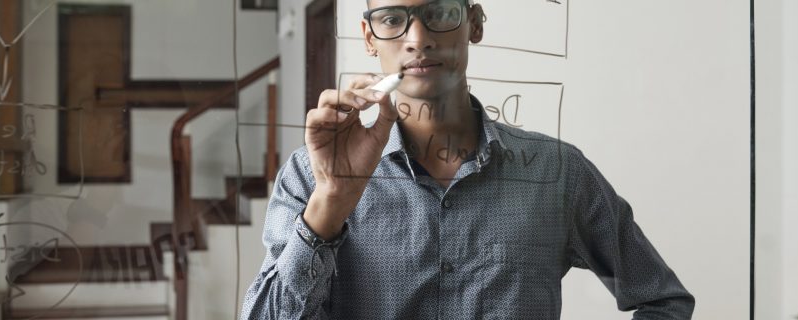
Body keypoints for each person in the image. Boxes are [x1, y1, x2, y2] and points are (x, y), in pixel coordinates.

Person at [241, 0, 695, 318]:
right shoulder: (310, 177)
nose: (417, 39)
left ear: (474, 23)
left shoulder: (558, 173)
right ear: (368, 36)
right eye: (392, 19)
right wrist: (332, 202)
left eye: (439, 13)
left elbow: (662, 299)